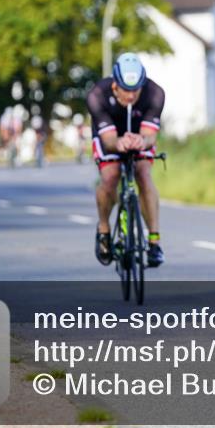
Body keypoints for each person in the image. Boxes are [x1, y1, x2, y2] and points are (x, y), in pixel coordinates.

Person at [87, 53, 166, 268]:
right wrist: (119, 142)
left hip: (139, 134)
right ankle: (104, 229)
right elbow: (109, 140)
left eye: (135, 90)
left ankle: (154, 241)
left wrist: (142, 140)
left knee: (143, 173)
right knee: (111, 176)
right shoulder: (97, 94)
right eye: (126, 89)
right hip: (109, 135)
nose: (131, 96)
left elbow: (150, 136)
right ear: (115, 85)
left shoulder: (155, 93)